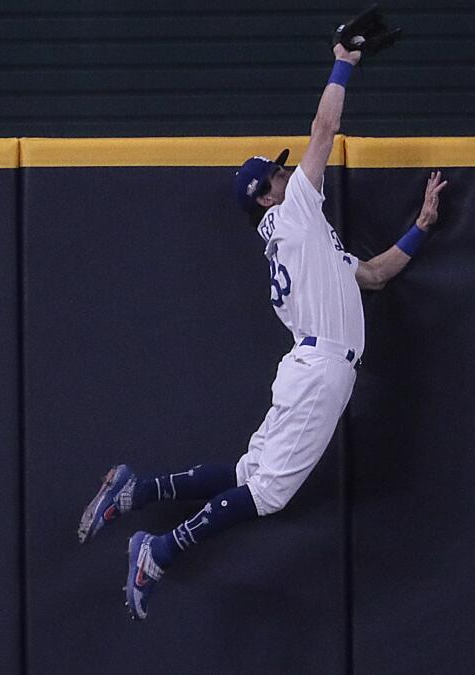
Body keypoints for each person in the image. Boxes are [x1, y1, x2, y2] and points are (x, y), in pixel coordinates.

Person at [78, 40, 448, 621]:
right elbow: (324, 128)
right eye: (278, 172)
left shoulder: (305, 243)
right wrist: (344, 64)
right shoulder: (293, 212)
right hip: (320, 371)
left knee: (251, 474)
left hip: (312, 366)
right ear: (267, 194)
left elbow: (373, 275)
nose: (286, 171)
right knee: (268, 492)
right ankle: (159, 552)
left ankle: (136, 491)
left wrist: (420, 228)